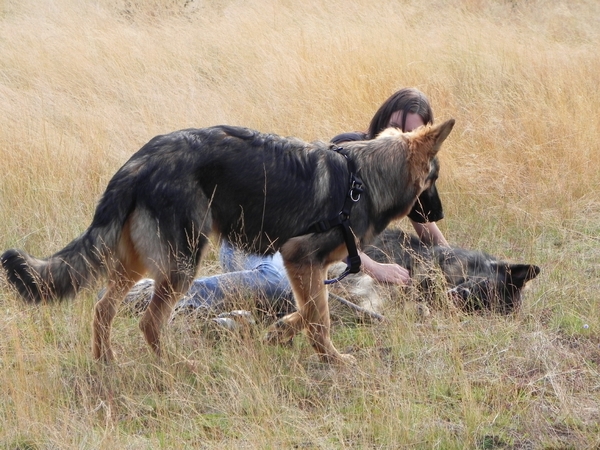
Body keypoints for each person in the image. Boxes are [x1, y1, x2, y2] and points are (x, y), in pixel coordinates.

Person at [121, 87, 449, 318]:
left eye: (414, 135)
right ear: (382, 124)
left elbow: (429, 232)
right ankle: (152, 295)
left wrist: (452, 270)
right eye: (398, 128)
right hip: (258, 236)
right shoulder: (347, 154)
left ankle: (228, 317)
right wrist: (375, 267)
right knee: (278, 285)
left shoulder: (406, 177)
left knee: (298, 300)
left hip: (300, 256)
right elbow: (326, 240)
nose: (406, 141)